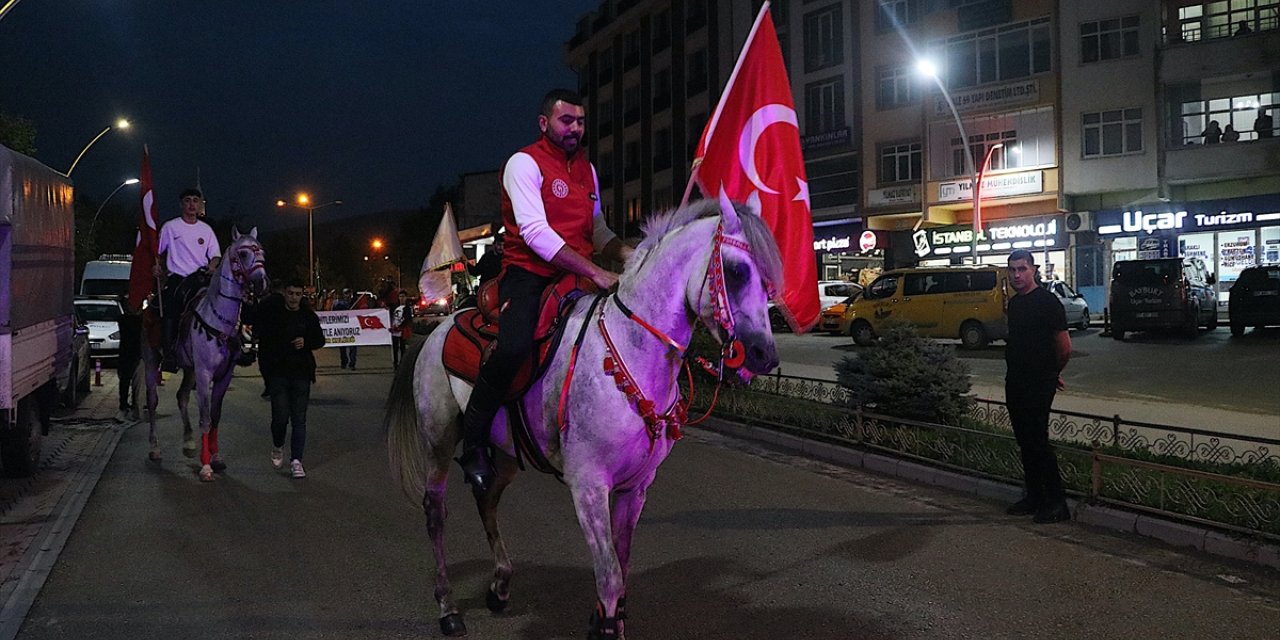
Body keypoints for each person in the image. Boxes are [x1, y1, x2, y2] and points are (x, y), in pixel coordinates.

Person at [457, 89, 633, 492]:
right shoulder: (523, 163)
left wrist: (630, 254)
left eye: (580, 122)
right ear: (544, 124)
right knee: (514, 347)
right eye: (565, 121)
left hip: (578, 276)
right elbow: (536, 233)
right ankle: (474, 441)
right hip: (529, 273)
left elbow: (598, 231)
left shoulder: (587, 169)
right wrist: (599, 273)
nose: (574, 129)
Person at [1004, 249, 1073, 524]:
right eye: (1012, 270)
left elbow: (1065, 347)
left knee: (1038, 441)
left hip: (1038, 383)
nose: (1016, 275)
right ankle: (1033, 496)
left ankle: (1057, 502)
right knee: (1025, 441)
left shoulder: (1048, 302)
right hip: (1016, 381)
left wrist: (1051, 373)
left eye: (1022, 269)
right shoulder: (1016, 304)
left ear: (1033, 270)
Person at [244, 276, 325, 479]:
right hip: (279, 374)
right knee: (280, 418)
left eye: (298, 294)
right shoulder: (274, 314)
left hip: (301, 375)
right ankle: (278, 445)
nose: (294, 298)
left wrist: (306, 342)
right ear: (285, 294)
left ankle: (296, 460)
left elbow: (319, 339)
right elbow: (257, 327)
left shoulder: (308, 316)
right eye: (290, 294)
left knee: (299, 420)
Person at [153, 188, 221, 371]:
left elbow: (215, 255)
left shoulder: (206, 230)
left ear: (200, 204)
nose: (192, 204)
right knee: (171, 310)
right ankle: (169, 354)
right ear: (181, 204)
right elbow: (157, 252)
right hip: (179, 279)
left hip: (201, 277)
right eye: (188, 200)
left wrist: (212, 266)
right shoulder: (170, 227)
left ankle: (233, 345)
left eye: (195, 201)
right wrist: (158, 266)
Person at [115, 299, 143, 423]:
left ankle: (127, 406)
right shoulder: (128, 320)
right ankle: (127, 406)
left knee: (128, 382)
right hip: (131, 354)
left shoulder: (123, 319)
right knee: (128, 381)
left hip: (128, 354)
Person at [332, 288, 358, 369]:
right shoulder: (339, 303)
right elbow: (334, 313)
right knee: (342, 346)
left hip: (352, 327)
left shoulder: (355, 303)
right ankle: (344, 362)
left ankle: (352, 363)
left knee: (353, 345)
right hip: (342, 328)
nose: (348, 295)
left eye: (349, 293)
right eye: (346, 293)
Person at [390, 289, 414, 368]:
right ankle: (395, 363)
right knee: (395, 348)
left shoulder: (407, 308)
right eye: (400, 296)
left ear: (406, 298)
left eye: (403, 296)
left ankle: (402, 363)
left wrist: (400, 327)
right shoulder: (395, 307)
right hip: (394, 331)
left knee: (403, 347)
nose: (401, 298)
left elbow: (408, 319)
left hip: (402, 331)